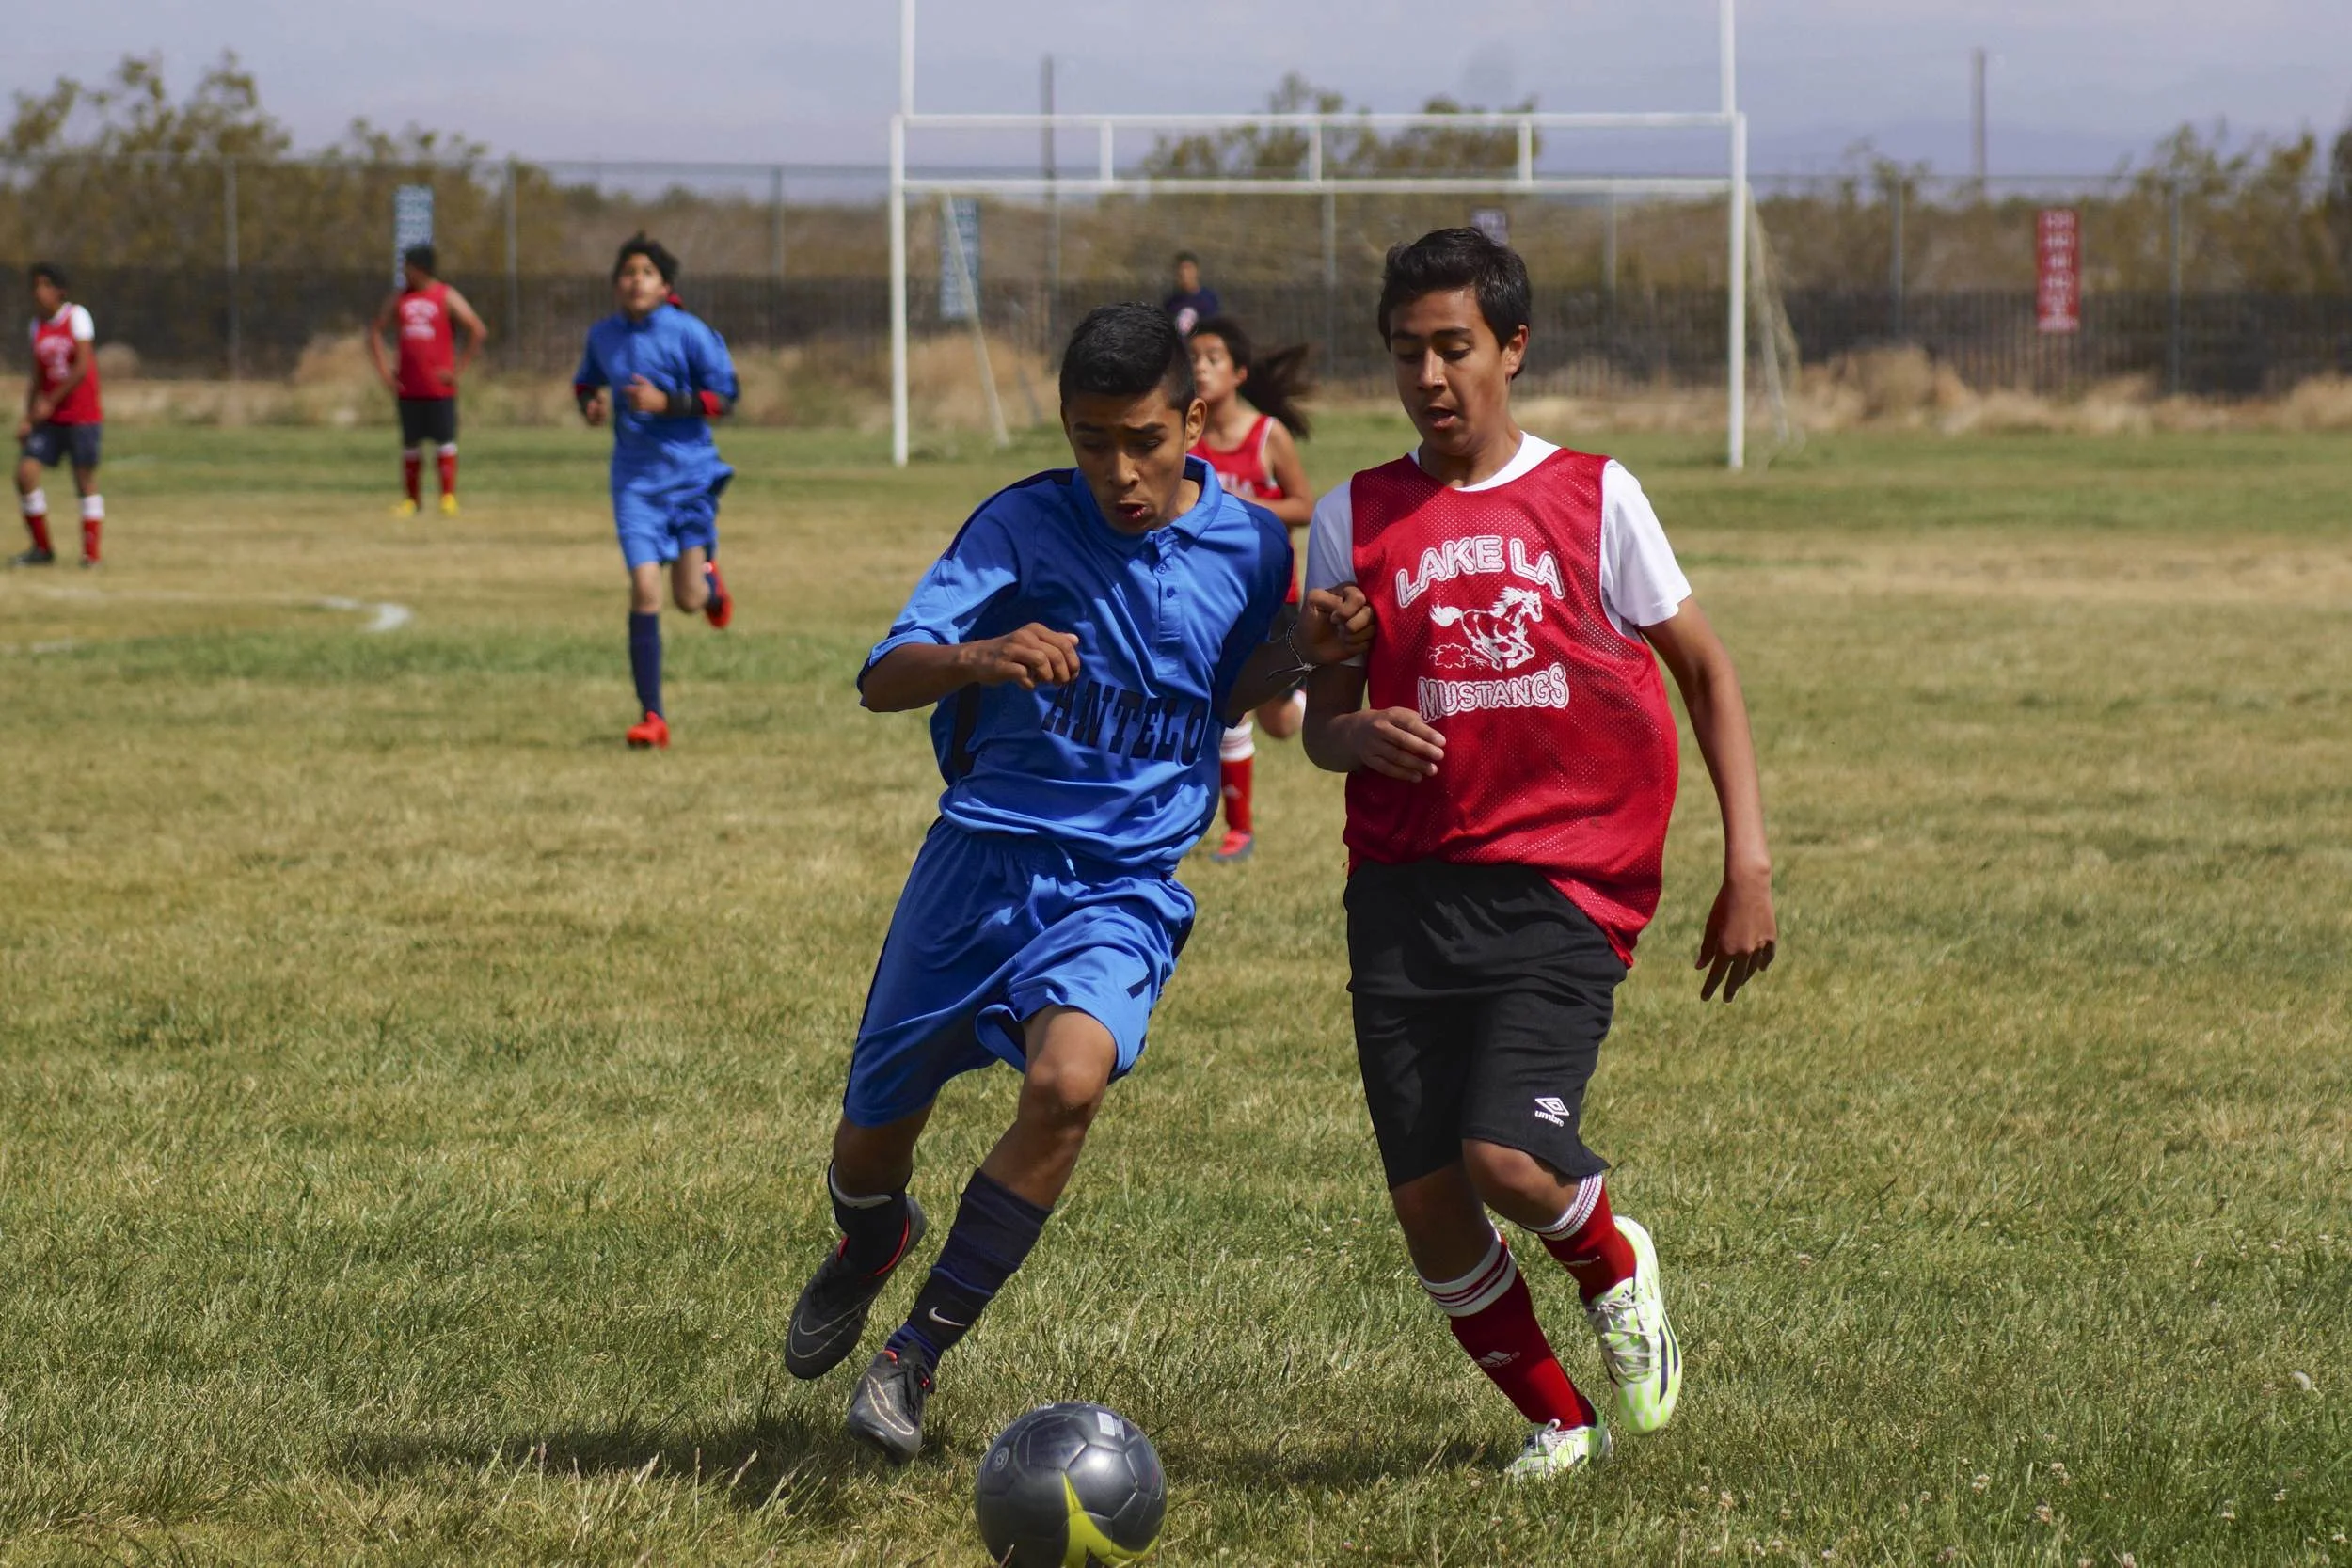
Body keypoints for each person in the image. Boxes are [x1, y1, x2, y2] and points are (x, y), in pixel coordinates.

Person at [784, 302, 1371, 1464]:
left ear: (1195, 419)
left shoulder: (1252, 545)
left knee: (1067, 1082)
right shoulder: (1017, 528)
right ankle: (868, 1239)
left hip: (1124, 882)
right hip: (978, 868)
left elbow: (1219, 690)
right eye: (1091, 440)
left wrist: (1301, 645)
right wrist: (983, 654)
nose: (1119, 470)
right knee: (866, 1145)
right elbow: (881, 675)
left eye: (1144, 439)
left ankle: (913, 1356)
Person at [1300, 229, 1778, 1481]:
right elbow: (1323, 728)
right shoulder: (1352, 513)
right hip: (1403, 891)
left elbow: (1707, 670)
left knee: (1507, 1154)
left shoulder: (1595, 494)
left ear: (1513, 346)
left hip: (1563, 882)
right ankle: (1560, 1419)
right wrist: (1349, 718)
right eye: (1407, 354)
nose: (1431, 377)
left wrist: (1751, 862)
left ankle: (1615, 1262)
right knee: (1429, 1203)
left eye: (1455, 348)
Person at [572, 233, 739, 750]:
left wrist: (667, 403)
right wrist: (591, 405)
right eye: (627, 272)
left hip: (689, 478)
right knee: (644, 590)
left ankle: (710, 584)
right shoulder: (603, 336)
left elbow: (725, 398)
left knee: (687, 600)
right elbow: (586, 382)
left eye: (645, 272)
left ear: (665, 284)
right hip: (634, 483)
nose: (634, 280)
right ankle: (652, 716)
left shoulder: (690, 333)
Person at [1187, 315, 1316, 863]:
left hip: (1271, 597)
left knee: (1280, 722)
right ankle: (1238, 830)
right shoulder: (1188, 436)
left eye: (1212, 358)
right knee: (1226, 707)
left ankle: (1323, 704)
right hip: (1214, 600)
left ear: (1238, 373)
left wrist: (1244, 510)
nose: (1200, 367)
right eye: (1193, 358)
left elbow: (1305, 505)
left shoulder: (1267, 435)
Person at [368, 245, 487, 517]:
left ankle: (447, 497)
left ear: (419, 268)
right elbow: (375, 331)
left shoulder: (445, 295)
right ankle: (412, 500)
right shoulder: (400, 298)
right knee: (410, 443)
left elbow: (477, 329)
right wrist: (386, 374)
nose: (404, 273)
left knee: (444, 440)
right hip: (408, 385)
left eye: (407, 267)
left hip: (438, 386)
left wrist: (457, 371)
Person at [13, 263, 104, 569]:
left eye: (44, 285)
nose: (38, 292)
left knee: (84, 481)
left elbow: (81, 366)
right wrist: (29, 416)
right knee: (25, 474)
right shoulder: (36, 326)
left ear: (59, 290)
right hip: (49, 419)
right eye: (35, 286)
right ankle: (42, 549)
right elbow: (37, 375)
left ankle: (91, 555)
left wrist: (50, 401)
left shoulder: (76, 317)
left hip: (80, 414)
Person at [1161, 251, 1220, 337]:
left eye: (1188, 268)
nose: (1184, 274)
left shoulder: (1209, 299)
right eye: (1180, 269)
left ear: (1196, 271)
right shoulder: (1171, 302)